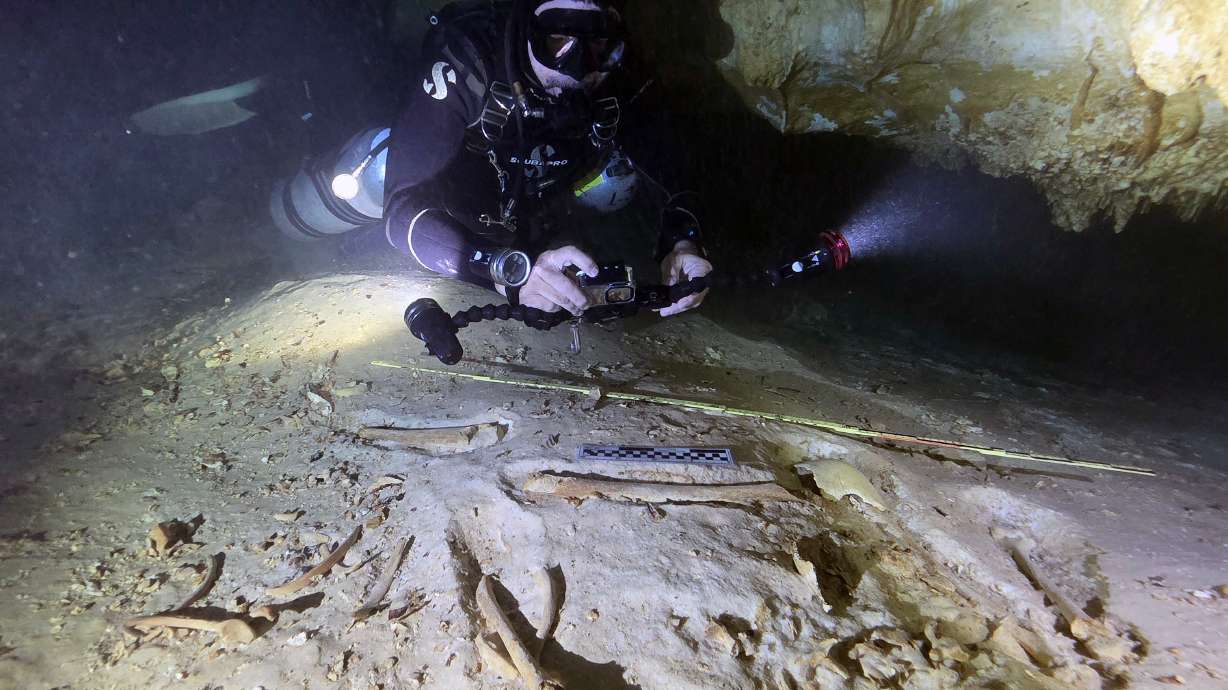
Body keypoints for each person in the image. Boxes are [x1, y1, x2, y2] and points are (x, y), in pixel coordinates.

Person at [273, 0, 712, 317]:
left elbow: (674, 163)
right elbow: (402, 206)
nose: (575, 66)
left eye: (595, 45)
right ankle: (282, 229)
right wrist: (505, 270)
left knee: (619, 180)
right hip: (448, 184)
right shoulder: (469, 64)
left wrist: (683, 242)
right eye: (556, 40)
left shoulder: (622, 76)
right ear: (525, 30)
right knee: (378, 176)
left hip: (539, 195)